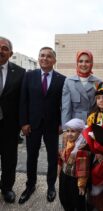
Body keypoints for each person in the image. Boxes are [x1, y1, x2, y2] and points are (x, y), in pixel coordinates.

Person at [19, 47, 66, 204]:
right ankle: (30, 185)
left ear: (54, 60)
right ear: (38, 58)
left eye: (48, 56)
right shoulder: (29, 76)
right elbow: (23, 100)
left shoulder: (61, 79)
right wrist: (24, 122)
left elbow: (63, 104)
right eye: (42, 56)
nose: (44, 58)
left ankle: (51, 186)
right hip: (32, 125)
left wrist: (62, 123)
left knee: (53, 158)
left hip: (53, 127)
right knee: (32, 157)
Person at [0, 36, 25, 203]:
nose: (0, 51)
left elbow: (23, 101)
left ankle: (7, 188)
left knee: (9, 160)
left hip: (9, 126)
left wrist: (23, 124)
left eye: (4, 48)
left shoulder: (20, 72)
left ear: (10, 53)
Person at [61, 50, 103, 125]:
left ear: (91, 63)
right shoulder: (69, 81)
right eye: (80, 61)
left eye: (87, 61)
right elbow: (66, 108)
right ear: (77, 63)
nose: (83, 64)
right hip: (75, 124)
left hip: (93, 122)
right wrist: (66, 128)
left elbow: (101, 107)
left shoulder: (98, 82)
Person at [58, 118, 90, 211]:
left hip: (76, 179)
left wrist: (81, 185)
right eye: (67, 131)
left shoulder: (81, 148)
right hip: (64, 175)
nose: (69, 134)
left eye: (73, 131)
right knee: (64, 196)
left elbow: (83, 168)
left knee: (77, 200)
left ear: (80, 133)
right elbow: (60, 156)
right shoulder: (66, 142)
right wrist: (59, 168)